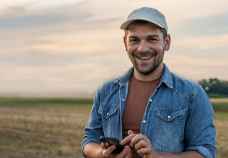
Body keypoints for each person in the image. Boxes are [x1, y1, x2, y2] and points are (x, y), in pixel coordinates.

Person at [81, 7, 216, 158]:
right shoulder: (106, 91)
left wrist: (156, 156)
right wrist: (101, 153)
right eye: (134, 40)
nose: (142, 48)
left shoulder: (193, 94)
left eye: (152, 39)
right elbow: (89, 140)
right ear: (125, 43)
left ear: (166, 42)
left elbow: (205, 152)